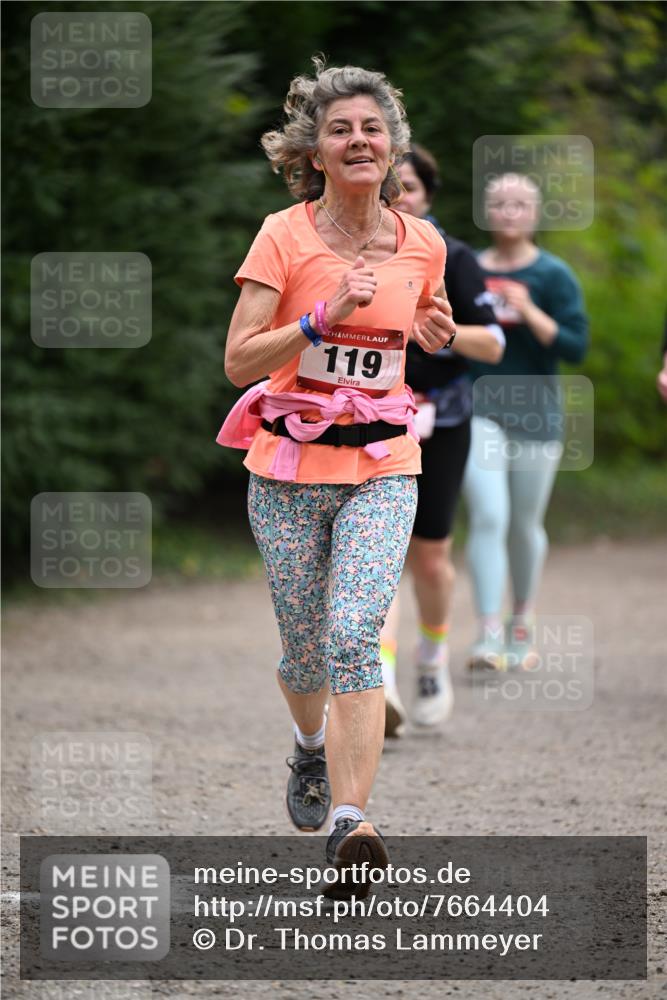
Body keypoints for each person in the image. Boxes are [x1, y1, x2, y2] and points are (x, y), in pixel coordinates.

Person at [217, 58, 456, 890]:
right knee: (304, 651)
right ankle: (309, 750)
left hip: (383, 462)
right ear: (313, 152)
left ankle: (352, 823)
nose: (359, 140)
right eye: (339, 129)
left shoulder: (421, 242)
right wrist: (319, 318)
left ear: (392, 148)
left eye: (372, 128)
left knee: (355, 632)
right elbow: (238, 357)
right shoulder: (282, 235)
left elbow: (423, 325)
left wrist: (432, 328)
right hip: (286, 464)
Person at [379, 144, 504, 736]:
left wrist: (441, 332)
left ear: (428, 193)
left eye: (408, 185)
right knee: (377, 552)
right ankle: (377, 678)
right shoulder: (357, 255)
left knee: (429, 556)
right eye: (388, 185)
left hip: (444, 421)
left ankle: (431, 657)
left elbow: (495, 346)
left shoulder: (453, 257)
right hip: (373, 420)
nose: (397, 195)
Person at [463, 172, 588, 670]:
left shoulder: (554, 276)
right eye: (499, 203)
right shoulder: (468, 268)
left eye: (518, 204)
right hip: (479, 413)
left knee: (522, 524)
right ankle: (488, 634)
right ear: (487, 212)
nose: (508, 212)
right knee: (489, 516)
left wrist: (529, 310)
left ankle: (522, 623)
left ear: (534, 214)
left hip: (537, 416)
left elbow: (575, 347)